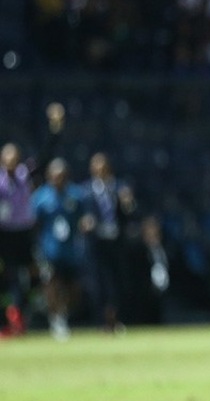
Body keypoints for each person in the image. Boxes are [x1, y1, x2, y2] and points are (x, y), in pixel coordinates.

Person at [0, 103, 64, 335]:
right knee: (12, 276)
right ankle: (11, 316)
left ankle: (26, 312)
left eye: (15, 156)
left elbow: (45, 156)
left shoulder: (24, 174)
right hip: (4, 234)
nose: (12, 160)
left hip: (24, 233)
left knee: (35, 273)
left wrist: (55, 129)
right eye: (8, 157)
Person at [31, 158, 90, 340]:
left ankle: (64, 313)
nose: (59, 179)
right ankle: (56, 318)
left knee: (74, 289)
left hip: (71, 251)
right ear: (49, 176)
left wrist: (85, 225)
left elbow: (84, 217)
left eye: (62, 176)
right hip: (49, 250)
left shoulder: (75, 195)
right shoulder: (41, 197)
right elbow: (33, 223)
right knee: (52, 285)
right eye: (55, 176)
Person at [84, 152, 137, 331]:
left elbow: (130, 213)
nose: (100, 170)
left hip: (116, 242)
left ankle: (117, 319)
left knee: (117, 284)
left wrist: (128, 203)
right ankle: (102, 321)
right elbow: (81, 216)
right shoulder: (86, 191)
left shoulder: (119, 188)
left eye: (103, 167)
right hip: (97, 244)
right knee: (99, 285)